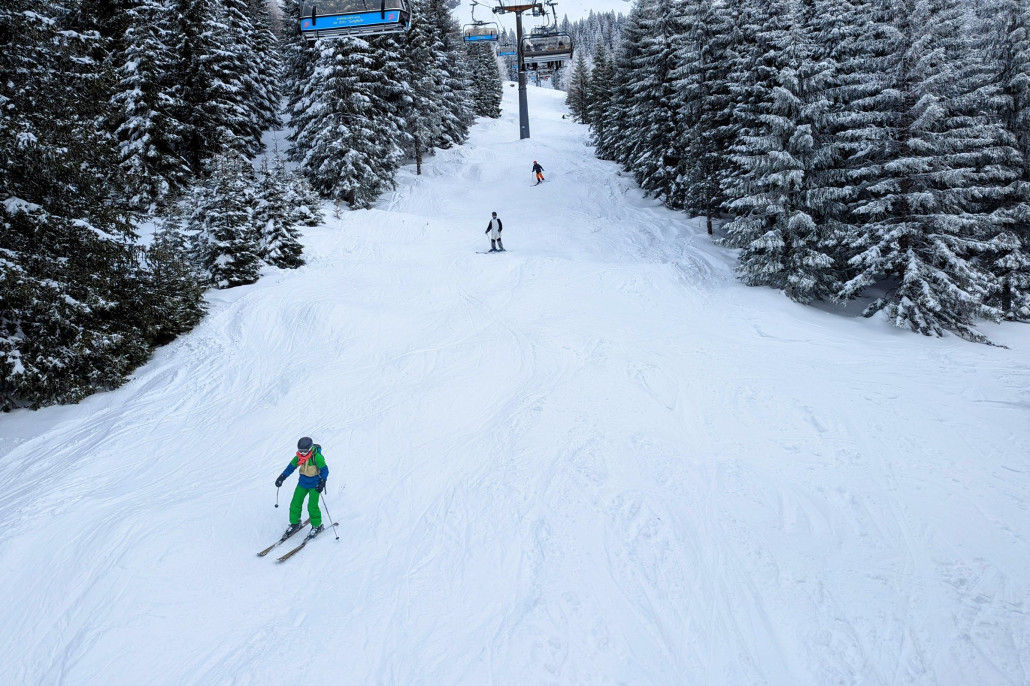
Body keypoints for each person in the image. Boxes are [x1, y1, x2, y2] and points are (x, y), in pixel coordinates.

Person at [275, 437, 329, 538]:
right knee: (295, 503)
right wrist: (282, 477)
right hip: (303, 483)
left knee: (312, 505)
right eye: (300, 451)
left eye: (304, 451)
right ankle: (295, 523)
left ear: (309, 448)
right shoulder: (299, 457)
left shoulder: (316, 457)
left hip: (315, 484)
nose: (302, 453)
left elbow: (325, 470)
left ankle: (317, 526)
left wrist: (322, 482)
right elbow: (290, 467)